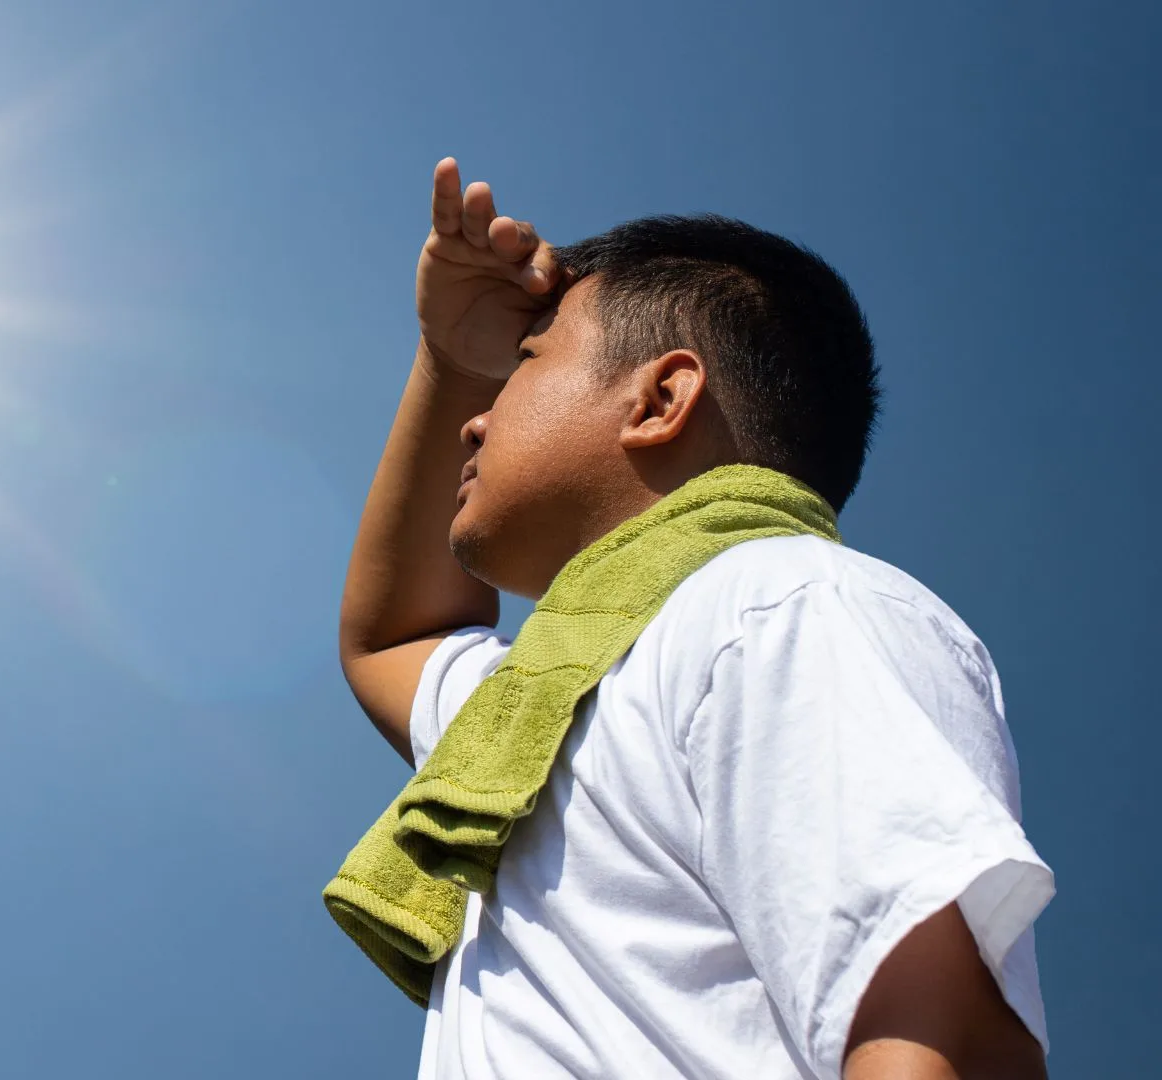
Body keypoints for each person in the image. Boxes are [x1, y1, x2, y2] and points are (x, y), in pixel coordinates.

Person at [331, 157, 1052, 1080]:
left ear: (661, 399)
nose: (475, 420)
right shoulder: (536, 716)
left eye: (522, 365)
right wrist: (454, 363)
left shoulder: (778, 604)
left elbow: (942, 1037)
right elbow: (393, 636)